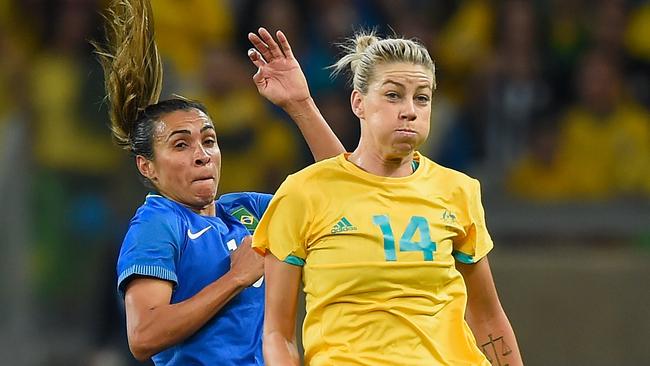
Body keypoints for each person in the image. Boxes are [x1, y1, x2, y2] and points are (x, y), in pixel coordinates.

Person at [94, 0, 343, 365]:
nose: (202, 154)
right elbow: (143, 335)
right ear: (146, 167)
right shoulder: (158, 225)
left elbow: (344, 188)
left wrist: (299, 104)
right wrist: (235, 279)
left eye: (208, 140)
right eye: (181, 145)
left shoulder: (246, 210)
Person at [253, 31, 524, 365]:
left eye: (421, 98)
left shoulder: (458, 190)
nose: (409, 110)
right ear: (358, 103)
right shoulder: (301, 193)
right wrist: (301, 105)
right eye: (394, 95)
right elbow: (278, 335)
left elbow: (488, 319)